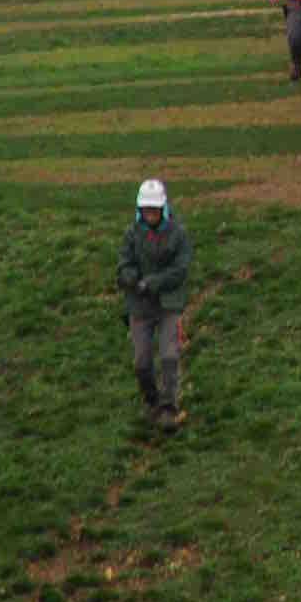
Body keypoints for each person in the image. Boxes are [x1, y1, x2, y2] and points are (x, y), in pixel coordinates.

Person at [118, 179, 193, 430]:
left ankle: (170, 407)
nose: (150, 214)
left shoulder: (178, 234)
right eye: (146, 209)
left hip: (169, 303)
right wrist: (130, 278)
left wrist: (153, 282)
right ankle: (152, 402)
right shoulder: (131, 234)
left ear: (163, 208)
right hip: (139, 307)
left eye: (154, 209)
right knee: (142, 362)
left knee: (170, 356)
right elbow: (124, 264)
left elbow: (181, 270)